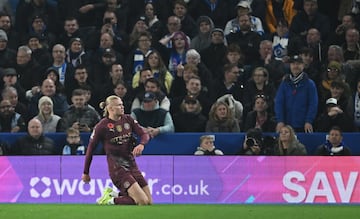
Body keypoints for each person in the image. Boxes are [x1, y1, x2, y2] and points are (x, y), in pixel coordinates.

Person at [82, 95, 152, 205]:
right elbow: (90, 149)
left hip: (132, 165)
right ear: (111, 108)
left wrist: (141, 145)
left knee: (149, 202)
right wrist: (86, 172)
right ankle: (109, 200)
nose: (122, 107)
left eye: (122, 104)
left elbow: (144, 134)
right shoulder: (102, 126)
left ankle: (113, 194)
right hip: (117, 169)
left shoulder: (128, 119)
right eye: (119, 105)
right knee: (142, 201)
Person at [275, 55, 318, 133]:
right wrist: (280, 120)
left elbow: (313, 104)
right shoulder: (284, 83)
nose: (295, 66)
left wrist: (308, 121)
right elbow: (279, 103)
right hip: (286, 125)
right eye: (293, 64)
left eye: (298, 64)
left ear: (303, 65)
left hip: (303, 126)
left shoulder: (309, 84)